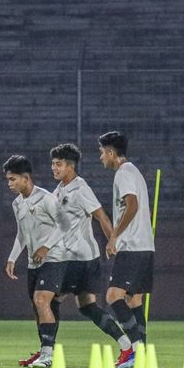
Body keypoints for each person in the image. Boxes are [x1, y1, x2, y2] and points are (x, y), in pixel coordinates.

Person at [50, 143, 132, 356]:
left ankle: (46, 351)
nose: (54, 168)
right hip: (79, 258)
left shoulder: (80, 188)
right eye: (53, 164)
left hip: (79, 259)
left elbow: (101, 216)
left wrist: (112, 241)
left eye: (58, 164)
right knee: (87, 306)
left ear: (70, 166)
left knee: (46, 299)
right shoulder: (59, 190)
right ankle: (126, 345)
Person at [99, 131, 154, 368]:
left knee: (113, 296)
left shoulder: (124, 173)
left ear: (111, 153)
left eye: (102, 152)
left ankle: (135, 350)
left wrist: (114, 236)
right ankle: (141, 354)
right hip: (144, 246)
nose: (101, 157)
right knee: (134, 299)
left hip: (132, 247)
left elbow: (132, 205)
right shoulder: (134, 172)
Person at [4, 155, 66, 368]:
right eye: (8, 180)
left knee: (41, 301)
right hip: (34, 263)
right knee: (38, 306)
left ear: (26, 178)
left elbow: (63, 225)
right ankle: (46, 350)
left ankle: (47, 355)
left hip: (55, 258)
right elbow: (21, 234)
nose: (9, 184)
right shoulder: (17, 203)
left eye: (13, 179)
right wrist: (13, 258)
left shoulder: (46, 198)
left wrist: (46, 246)